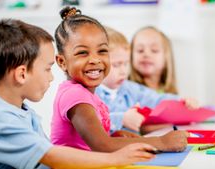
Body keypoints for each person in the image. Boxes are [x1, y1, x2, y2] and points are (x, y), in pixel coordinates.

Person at [0, 18, 156, 169]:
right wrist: (116, 158)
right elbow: (51, 156)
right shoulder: (2, 120)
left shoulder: (21, 112)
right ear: (22, 74)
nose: (51, 77)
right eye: (47, 69)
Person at [51, 6, 188, 153]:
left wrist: (117, 136)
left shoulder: (89, 94)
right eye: (83, 53)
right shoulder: (75, 95)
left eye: (102, 51)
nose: (95, 60)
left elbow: (97, 140)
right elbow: (103, 145)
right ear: (62, 62)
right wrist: (161, 142)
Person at [96, 27, 196, 134]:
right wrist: (121, 119)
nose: (123, 71)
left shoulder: (130, 88)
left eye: (126, 64)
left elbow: (157, 99)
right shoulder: (91, 93)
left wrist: (182, 102)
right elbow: (88, 123)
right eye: (116, 65)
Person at [130, 26, 178, 94]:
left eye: (154, 50)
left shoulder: (169, 94)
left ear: (166, 57)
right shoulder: (127, 91)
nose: (146, 54)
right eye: (140, 50)